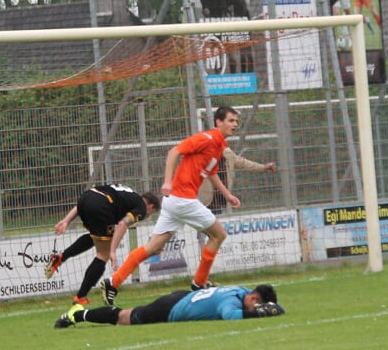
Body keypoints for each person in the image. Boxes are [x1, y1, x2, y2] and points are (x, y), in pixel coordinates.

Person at [100, 107, 243, 305]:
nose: (235, 124)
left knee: (153, 247)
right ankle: (199, 282)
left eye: (236, 121)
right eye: (231, 120)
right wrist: (167, 181)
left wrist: (227, 195)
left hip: (174, 202)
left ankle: (113, 282)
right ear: (218, 122)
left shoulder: (218, 146)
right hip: (183, 200)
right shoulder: (206, 139)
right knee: (219, 235)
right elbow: (174, 151)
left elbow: (210, 172)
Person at [46, 184, 160, 305]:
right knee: (103, 254)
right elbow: (122, 224)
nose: (147, 216)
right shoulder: (141, 208)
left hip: (85, 198)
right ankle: (80, 297)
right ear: (151, 207)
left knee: (95, 236)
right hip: (101, 205)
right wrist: (112, 251)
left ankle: (60, 258)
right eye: (151, 214)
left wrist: (66, 220)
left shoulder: (130, 194)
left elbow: (91, 198)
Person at [54, 283, 283, 328]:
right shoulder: (232, 300)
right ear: (253, 299)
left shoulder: (240, 290)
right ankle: (78, 314)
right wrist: (259, 316)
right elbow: (230, 316)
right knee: (123, 317)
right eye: (258, 306)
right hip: (170, 308)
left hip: (181, 297)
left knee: (126, 315)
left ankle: (79, 314)